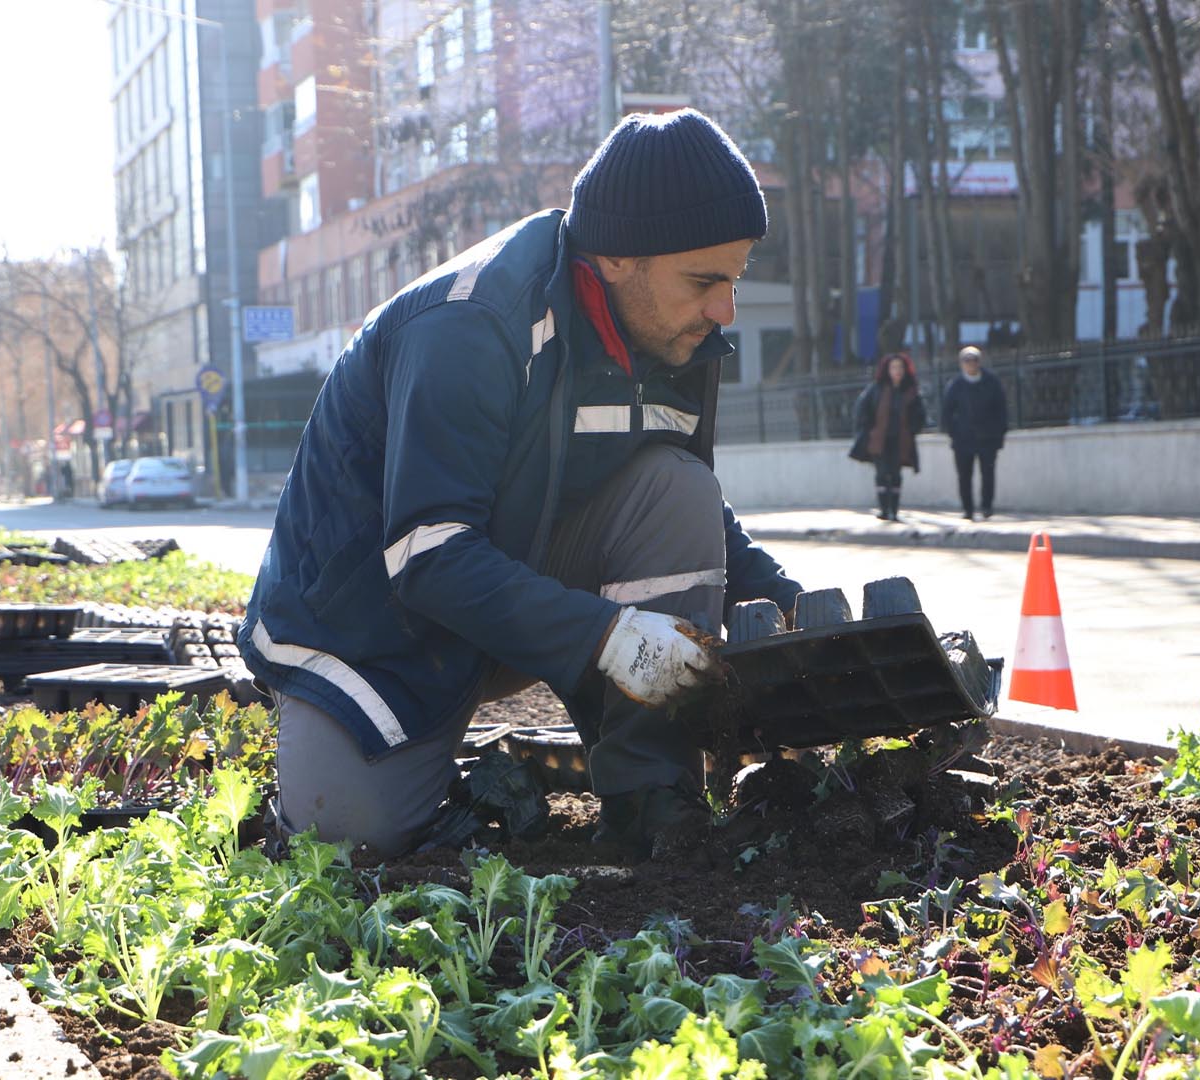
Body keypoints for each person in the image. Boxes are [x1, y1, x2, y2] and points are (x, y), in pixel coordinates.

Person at [241, 109, 803, 859]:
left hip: (506, 590)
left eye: (734, 278)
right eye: (705, 281)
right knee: (348, 841)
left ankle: (652, 798)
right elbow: (429, 557)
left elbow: (686, 500)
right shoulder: (473, 324)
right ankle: (345, 742)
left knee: (678, 486)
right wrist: (609, 638)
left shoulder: (675, 335)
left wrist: (793, 606)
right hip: (368, 625)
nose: (724, 308)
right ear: (614, 259)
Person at [848, 353, 925, 522]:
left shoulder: (910, 391)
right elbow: (862, 411)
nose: (897, 371)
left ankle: (894, 510)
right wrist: (868, 431)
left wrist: (912, 429)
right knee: (882, 473)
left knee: (896, 475)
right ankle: (884, 509)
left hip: (901, 440)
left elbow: (920, 415)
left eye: (900, 367)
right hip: (879, 441)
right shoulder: (877, 389)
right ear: (887, 370)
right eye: (894, 367)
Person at [940, 346, 1007, 520]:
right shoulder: (955, 385)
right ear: (961, 364)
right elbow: (947, 412)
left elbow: (1001, 410)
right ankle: (967, 509)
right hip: (963, 440)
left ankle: (986, 506)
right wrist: (953, 432)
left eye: (974, 360)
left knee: (988, 474)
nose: (971, 364)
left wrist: (999, 434)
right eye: (967, 361)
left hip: (987, 438)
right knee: (964, 476)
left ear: (979, 362)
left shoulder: (991, 382)